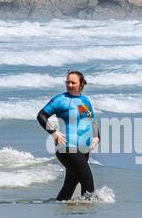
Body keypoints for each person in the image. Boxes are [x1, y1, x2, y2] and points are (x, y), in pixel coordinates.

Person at [36, 70, 99, 201]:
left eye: (73, 82)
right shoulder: (61, 100)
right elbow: (41, 116)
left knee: (69, 187)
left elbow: (91, 121)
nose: (69, 85)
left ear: (81, 84)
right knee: (88, 184)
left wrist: (96, 137)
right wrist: (54, 132)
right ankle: (88, 216)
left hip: (83, 149)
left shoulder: (84, 101)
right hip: (67, 148)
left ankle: (62, 214)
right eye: (68, 82)